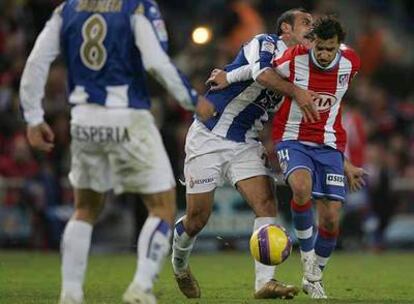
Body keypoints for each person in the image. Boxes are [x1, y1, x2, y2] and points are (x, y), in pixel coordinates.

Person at [19, 1, 214, 304]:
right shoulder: (135, 7)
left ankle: (70, 294)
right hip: (127, 115)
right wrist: (191, 99)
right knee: (162, 206)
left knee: (84, 208)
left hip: (83, 119)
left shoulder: (67, 9)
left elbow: (36, 61)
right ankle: (141, 287)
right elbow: (155, 61)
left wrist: (33, 117)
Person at [171, 8, 319, 300]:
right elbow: (262, 75)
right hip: (208, 135)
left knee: (266, 202)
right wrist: (297, 93)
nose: (311, 27)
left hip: (246, 142)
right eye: (305, 23)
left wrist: (230, 75)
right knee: (197, 219)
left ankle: (265, 283)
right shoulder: (264, 42)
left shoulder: (300, 66)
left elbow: (253, 74)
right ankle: (179, 266)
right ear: (285, 30)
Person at [271, 16, 361, 298]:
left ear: (339, 46)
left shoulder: (351, 63)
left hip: (329, 145)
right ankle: (307, 255)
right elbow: (264, 74)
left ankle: (315, 276)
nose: (323, 54)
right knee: (300, 187)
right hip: (292, 137)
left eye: (329, 49)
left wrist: (345, 162)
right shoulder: (294, 58)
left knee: (332, 219)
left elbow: (338, 102)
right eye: (319, 48)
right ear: (312, 43)